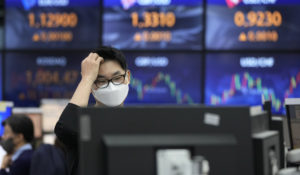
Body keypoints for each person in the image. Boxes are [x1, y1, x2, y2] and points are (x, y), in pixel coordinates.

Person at [54, 46, 131, 175]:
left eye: (117, 78)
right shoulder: (84, 124)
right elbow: (65, 129)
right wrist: (87, 78)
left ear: (127, 77)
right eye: (101, 81)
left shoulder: (138, 123)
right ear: (91, 86)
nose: (111, 87)